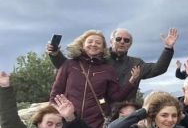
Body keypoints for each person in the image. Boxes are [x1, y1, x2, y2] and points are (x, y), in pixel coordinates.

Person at [48, 27, 178, 101]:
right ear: (111, 41)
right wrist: (54, 53)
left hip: (125, 112)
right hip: (99, 111)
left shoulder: (136, 63)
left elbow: (158, 69)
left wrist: (168, 49)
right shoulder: (97, 58)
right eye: (118, 39)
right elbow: (67, 66)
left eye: (126, 40)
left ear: (130, 44)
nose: (122, 42)